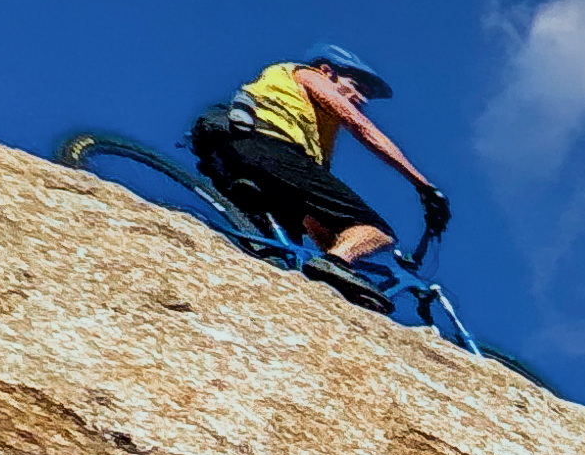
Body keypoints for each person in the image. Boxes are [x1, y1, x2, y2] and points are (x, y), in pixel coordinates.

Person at [191, 44, 448, 312]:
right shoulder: (307, 75)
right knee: (376, 231)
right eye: (357, 86)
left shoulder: (312, 124)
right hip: (266, 146)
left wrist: (339, 251)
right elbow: (359, 125)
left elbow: (314, 214)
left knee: (277, 255)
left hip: (231, 153)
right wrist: (424, 186)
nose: (362, 99)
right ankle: (336, 263)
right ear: (327, 71)